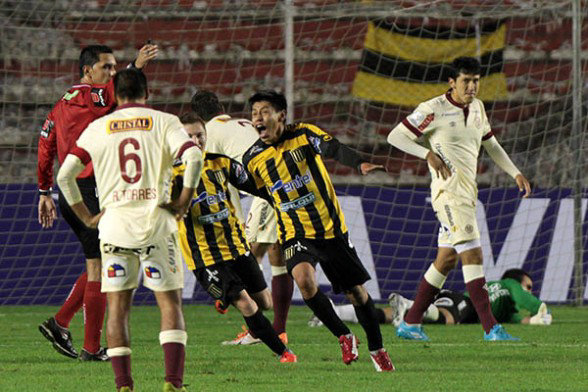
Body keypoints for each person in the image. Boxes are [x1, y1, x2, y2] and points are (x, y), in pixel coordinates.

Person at [56, 69, 202, 392]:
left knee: (119, 310)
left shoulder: (98, 127)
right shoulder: (164, 122)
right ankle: (173, 384)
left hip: (114, 228)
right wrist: (183, 200)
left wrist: (86, 216)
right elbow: (193, 156)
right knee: (170, 305)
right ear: (146, 94)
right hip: (157, 225)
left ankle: (123, 385)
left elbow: (65, 175)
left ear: (117, 95)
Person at [242, 90, 394, 372]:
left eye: (264, 112)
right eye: (254, 114)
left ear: (281, 116)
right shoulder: (252, 159)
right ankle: (344, 335)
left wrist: (358, 163)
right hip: (294, 231)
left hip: (329, 229)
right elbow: (251, 186)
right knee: (304, 280)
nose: (257, 118)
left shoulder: (304, 134)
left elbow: (333, 148)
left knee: (357, 294)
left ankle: (377, 349)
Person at [387, 57, 532, 342]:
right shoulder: (433, 109)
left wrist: (515, 173)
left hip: (467, 193)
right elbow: (396, 136)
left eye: (476, 80)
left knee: (446, 259)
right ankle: (491, 328)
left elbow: (491, 144)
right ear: (452, 82)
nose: (472, 86)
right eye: (466, 81)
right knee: (473, 255)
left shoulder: (477, 108)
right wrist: (425, 153)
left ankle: (411, 322)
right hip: (449, 194)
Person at [37, 43, 158, 361]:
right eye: (107, 66)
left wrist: (43, 192)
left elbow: (45, 145)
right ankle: (88, 346)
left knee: (101, 264)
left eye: (115, 67)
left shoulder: (60, 105)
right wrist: (136, 65)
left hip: (70, 192)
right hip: (86, 191)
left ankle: (62, 324)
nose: (112, 72)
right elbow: (113, 92)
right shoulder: (88, 95)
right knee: (101, 266)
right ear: (87, 70)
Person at [172, 113, 296, 363]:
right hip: (206, 257)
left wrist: (280, 195)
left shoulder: (221, 163)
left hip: (236, 247)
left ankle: (224, 297)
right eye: (189, 137)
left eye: (200, 136)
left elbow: (255, 185)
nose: (196, 141)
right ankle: (284, 353)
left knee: (265, 302)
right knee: (247, 304)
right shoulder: (171, 174)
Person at [310, 269, 552, 327]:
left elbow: (516, 318)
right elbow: (530, 302)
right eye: (528, 286)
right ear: (517, 280)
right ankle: (408, 305)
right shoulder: (509, 284)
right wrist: (541, 308)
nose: (528, 290)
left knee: (386, 315)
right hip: (460, 301)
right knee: (447, 318)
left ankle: (332, 313)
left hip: (454, 299)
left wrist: (535, 321)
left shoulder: (503, 305)